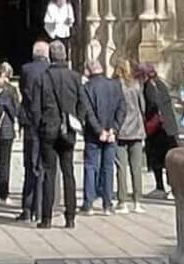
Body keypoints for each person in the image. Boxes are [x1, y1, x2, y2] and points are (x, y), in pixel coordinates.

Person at [28, 38, 82, 230]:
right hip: (68, 129)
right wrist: (77, 120)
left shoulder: (43, 78)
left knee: (49, 173)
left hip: (48, 129)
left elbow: (35, 107)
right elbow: (82, 103)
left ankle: (47, 218)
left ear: (50, 57)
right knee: (69, 173)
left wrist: (39, 125)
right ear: (65, 56)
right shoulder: (75, 77)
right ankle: (70, 217)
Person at [79, 50, 122, 213]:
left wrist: (99, 131)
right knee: (108, 167)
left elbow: (88, 112)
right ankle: (107, 204)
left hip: (93, 134)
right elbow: (122, 109)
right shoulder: (115, 85)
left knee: (91, 166)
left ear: (87, 71)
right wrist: (114, 129)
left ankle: (89, 203)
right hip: (111, 134)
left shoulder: (86, 88)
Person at [17, 37, 50, 223]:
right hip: (46, 123)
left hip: (30, 123)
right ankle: (41, 207)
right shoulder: (50, 70)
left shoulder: (25, 69)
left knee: (29, 166)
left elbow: (24, 91)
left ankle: (27, 209)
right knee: (44, 167)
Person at [138, 62, 176, 197]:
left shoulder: (149, 86)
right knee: (169, 160)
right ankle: (172, 188)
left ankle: (160, 187)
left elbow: (153, 105)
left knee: (157, 159)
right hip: (169, 127)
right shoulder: (161, 84)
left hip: (157, 129)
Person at [113, 61, 145, 208]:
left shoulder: (116, 86)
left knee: (121, 167)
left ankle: (122, 201)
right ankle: (137, 201)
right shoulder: (136, 85)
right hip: (136, 129)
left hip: (121, 130)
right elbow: (142, 107)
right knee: (136, 167)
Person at [0, 61, 20, 205]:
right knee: (4, 164)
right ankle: (3, 194)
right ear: (0, 75)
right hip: (5, 129)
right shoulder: (9, 90)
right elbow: (15, 110)